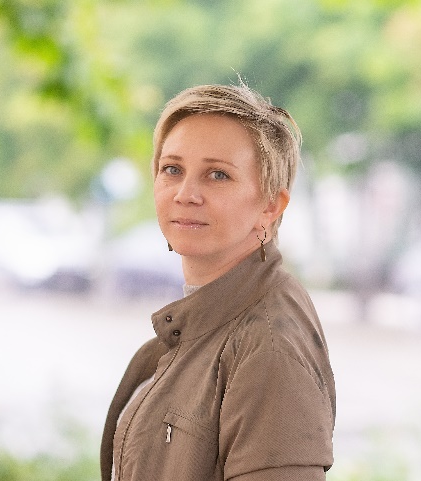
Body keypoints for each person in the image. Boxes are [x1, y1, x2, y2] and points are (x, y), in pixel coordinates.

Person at [101, 83, 335, 481]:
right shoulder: (200, 323)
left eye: (217, 175)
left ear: (270, 205)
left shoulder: (269, 345)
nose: (186, 194)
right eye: (172, 169)